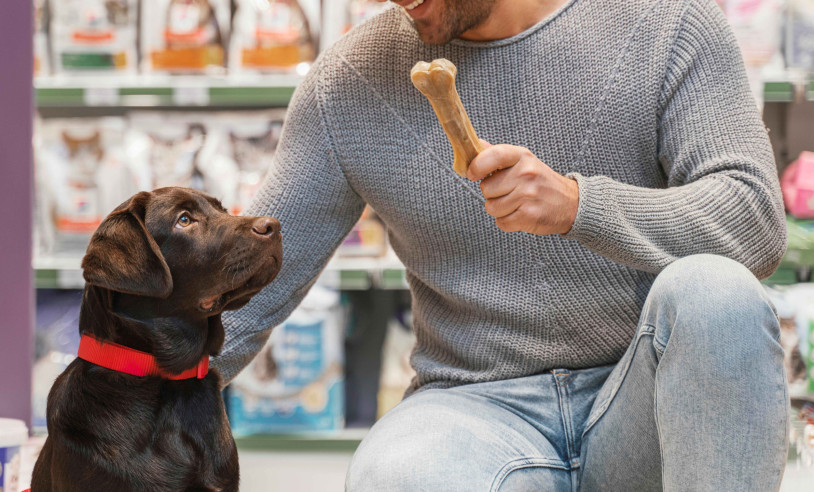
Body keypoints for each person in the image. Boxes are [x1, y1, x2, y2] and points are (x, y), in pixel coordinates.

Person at [215, 0, 790, 489]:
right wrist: (128, 393)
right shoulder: (348, 82)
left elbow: (756, 224)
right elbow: (241, 292)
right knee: (396, 478)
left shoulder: (668, 22)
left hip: (647, 392)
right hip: (471, 409)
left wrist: (579, 207)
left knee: (718, 296)